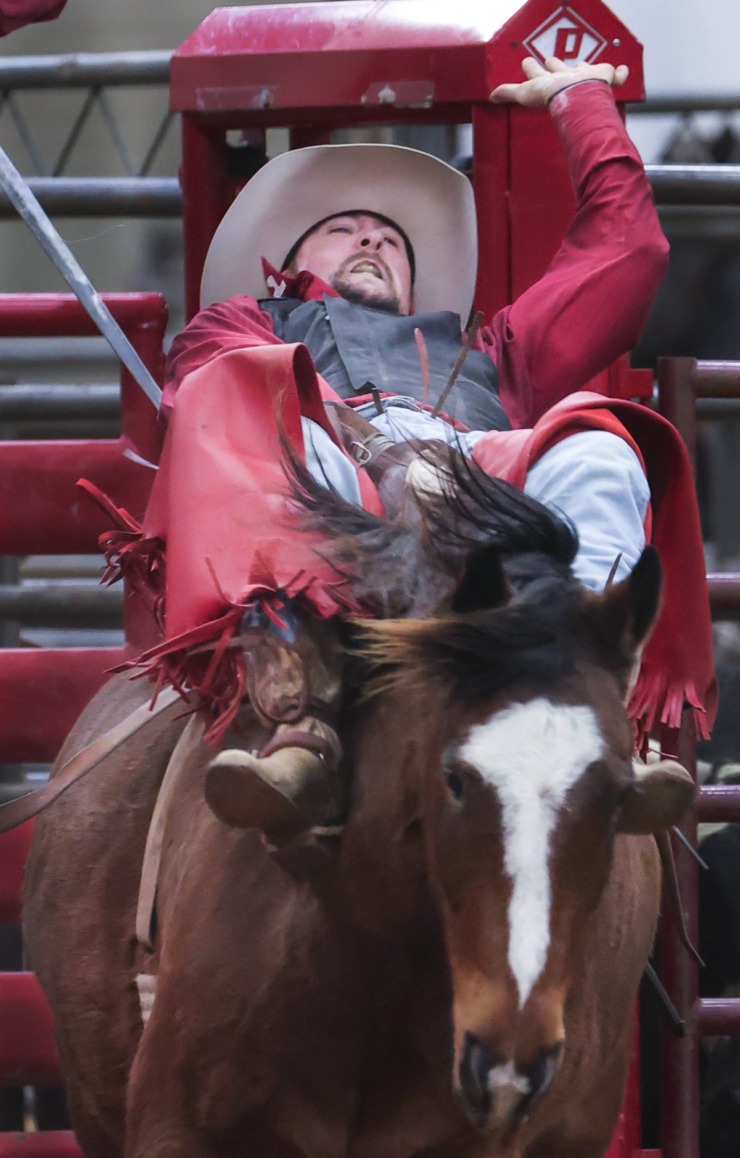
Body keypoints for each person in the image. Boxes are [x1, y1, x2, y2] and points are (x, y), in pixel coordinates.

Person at [105, 56, 714, 846]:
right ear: (285, 267)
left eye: (389, 238)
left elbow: (628, 257)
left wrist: (579, 97)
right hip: (331, 490)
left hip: (474, 478)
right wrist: (381, 471)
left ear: (416, 280)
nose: (369, 236)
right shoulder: (241, 326)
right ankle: (303, 717)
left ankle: (595, 700)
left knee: (599, 442)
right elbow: (212, 405)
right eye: (340, 229)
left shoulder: (492, 352)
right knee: (239, 406)